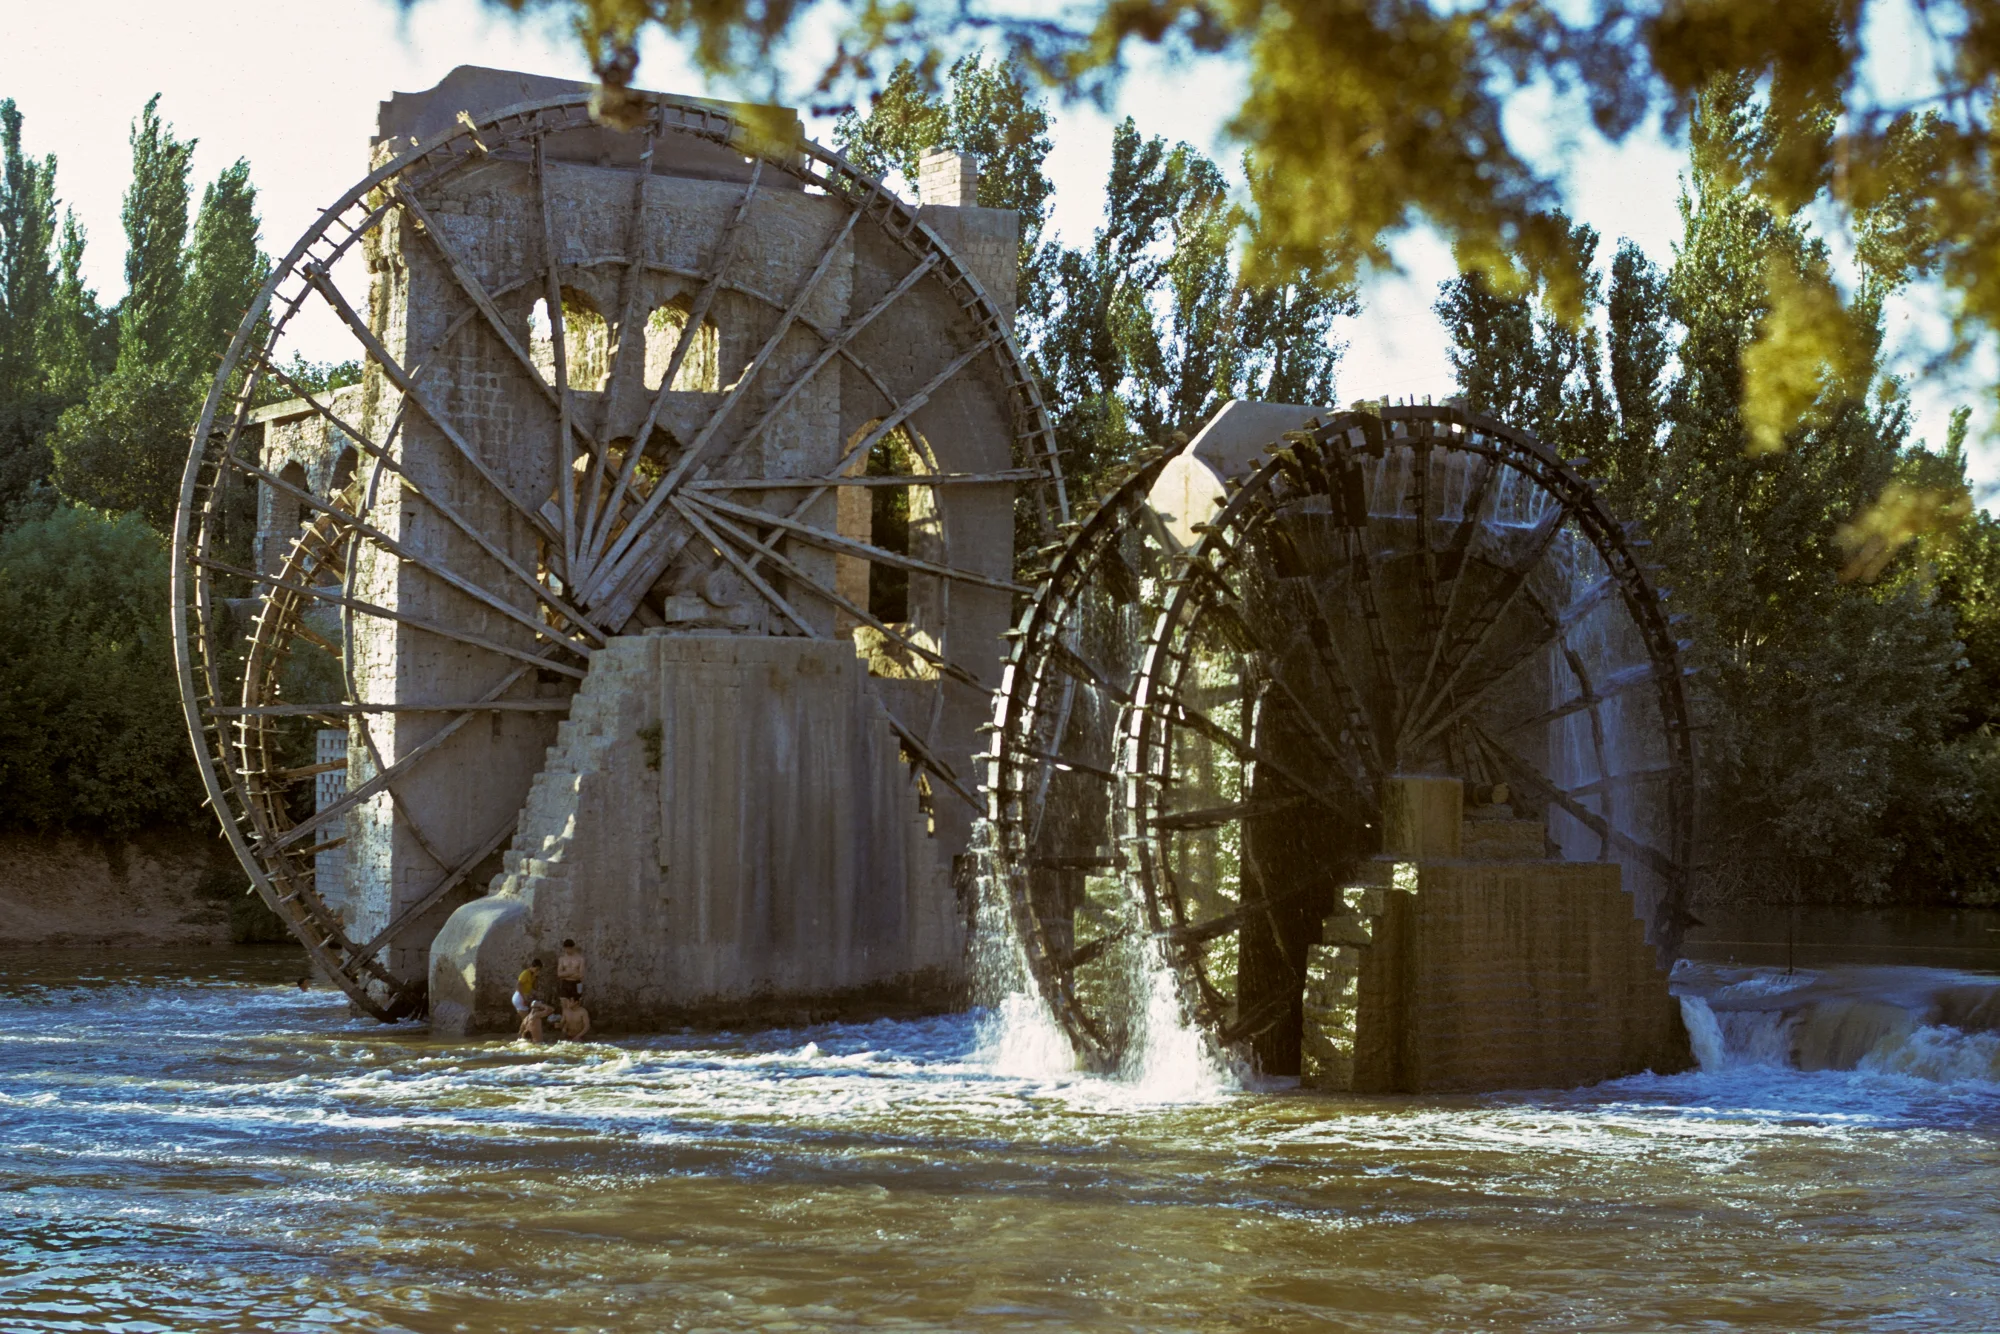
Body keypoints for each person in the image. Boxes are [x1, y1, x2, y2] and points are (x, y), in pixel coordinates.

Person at [556, 939, 586, 1033]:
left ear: (573, 948)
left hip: (576, 984)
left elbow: (581, 975)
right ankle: (564, 1028)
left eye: (569, 948)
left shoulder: (580, 959)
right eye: (566, 949)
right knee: (564, 1005)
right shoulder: (562, 959)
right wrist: (571, 972)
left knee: (576, 1006)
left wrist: (566, 973)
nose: (567, 950)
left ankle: (577, 1028)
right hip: (565, 983)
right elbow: (559, 974)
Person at [513, 957, 542, 1022]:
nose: (537, 971)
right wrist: (524, 998)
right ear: (532, 966)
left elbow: (535, 987)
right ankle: (524, 1032)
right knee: (527, 1020)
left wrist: (536, 977)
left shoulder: (533, 975)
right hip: (519, 996)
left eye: (539, 970)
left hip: (524, 996)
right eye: (537, 969)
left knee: (526, 1020)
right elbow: (518, 985)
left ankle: (522, 1032)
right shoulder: (525, 973)